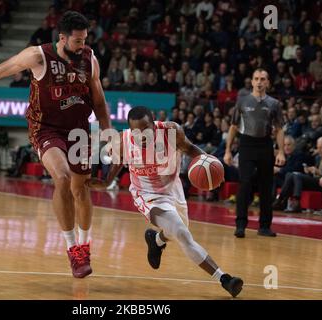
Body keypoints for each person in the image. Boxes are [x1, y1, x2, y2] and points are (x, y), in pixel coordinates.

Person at [0, 11, 111, 279]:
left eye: (84, 40)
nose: (82, 45)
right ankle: (71, 250)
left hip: (79, 129)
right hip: (46, 128)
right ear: (62, 38)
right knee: (63, 178)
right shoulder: (38, 56)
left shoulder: (89, 58)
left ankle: (85, 245)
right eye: (77, 41)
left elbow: (98, 100)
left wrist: (108, 133)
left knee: (81, 189)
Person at [87, 106, 244, 298]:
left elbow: (190, 149)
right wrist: (105, 182)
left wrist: (210, 164)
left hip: (173, 189)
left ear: (154, 125)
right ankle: (225, 279)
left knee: (176, 231)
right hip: (147, 195)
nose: (142, 135)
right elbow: (117, 164)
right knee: (181, 233)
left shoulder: (171, 131)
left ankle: (156, 240)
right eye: (136, 131)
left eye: (146, 129)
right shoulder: (122, 141)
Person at [224, 69, 286, 238]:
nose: (259, 82)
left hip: (265, 144)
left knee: (266, 186)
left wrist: (281, 151)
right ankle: (240, 225)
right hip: (246, 144)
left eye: (263, 79)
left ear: (268, 83)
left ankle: (265, 226)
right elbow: (233, 126)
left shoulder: (274, 103)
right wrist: (228, 150)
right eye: (256, 79)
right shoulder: (242, 101)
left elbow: (279, 129)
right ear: (251, 82)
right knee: (245, 183)